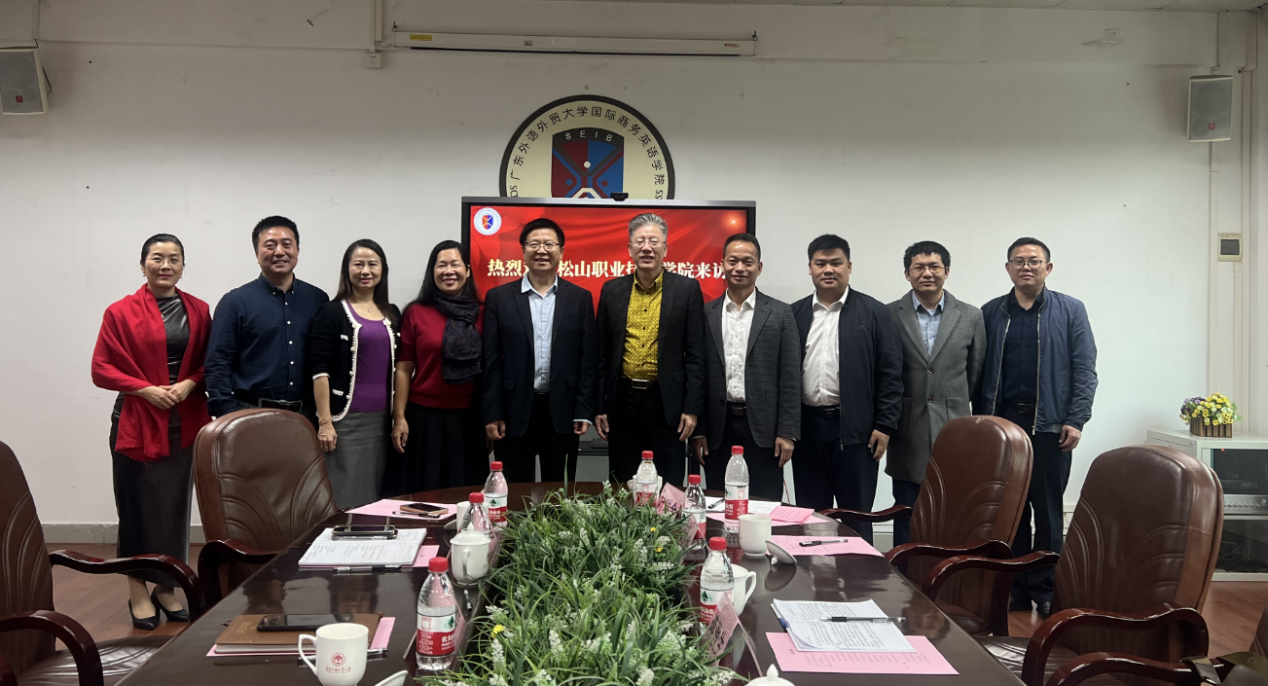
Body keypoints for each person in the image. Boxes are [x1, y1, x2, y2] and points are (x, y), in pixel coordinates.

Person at [90, 233, 211, 630]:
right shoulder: (119, 312)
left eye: (174, 258)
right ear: (142, 265)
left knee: (174, 509)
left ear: (183, 267)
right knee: (136, 507)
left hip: (184, 421)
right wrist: (144, 389)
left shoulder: (199, 310)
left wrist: (189, 384)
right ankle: (137, 590)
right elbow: (101, 368)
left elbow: (210, 361)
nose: (165, 265)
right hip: (137, 422)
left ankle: (166, 586)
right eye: (157, 257)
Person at [976, 237, 1097, 619]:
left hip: (1050, 427)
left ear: (1048, 267)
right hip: (1004, 427)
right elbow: (977, 372)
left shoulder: (1071, 310)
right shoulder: (992, 312)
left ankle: (1045, 589)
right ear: (1008, 268)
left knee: (1047, 513)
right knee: (1009, 512)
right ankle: (1012, 588)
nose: (1026, 267)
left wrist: (1076, 419)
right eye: (1018, 261)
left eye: (1034, 260)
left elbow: (1085, 370)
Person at [790, 234, 902, 545]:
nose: (828, 269)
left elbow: (891, 372)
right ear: (810, 268)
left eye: (836, 263)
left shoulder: (875, 312)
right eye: (820, 263)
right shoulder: (794, 314)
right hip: (807, 429)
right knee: (811, 516)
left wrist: (885, 424)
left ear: (849, 267)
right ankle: (814, 572)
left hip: (857, 432)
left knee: (856, 517)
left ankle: (859, 574)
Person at [482, 218, 599, 483]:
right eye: (534, 244)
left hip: (563, 410)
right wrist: (493, 413)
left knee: (559, 492)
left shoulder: (579, 298)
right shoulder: (499, 298)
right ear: (523, 251)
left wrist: (584, 409)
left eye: (549, 244)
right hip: (513, 411)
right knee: (514, 490)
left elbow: (587, 360)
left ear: (561, 251)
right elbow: (491, 361)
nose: (541, 250)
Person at [886, 241, 986, 547]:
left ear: (947, 271)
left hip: (954, 427)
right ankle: (904, 571)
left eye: (934, 267)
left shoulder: (971, 316)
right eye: (919, 267)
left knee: (952, 509)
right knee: (907, 509)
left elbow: (975, 374)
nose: (927, 273)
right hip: (907, 428)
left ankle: (948, 569)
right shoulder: (888, 314)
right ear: (907, 273)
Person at [595, 212, 705, 488]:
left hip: (667, 404)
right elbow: (601, 355)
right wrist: (599, 406)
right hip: (623, 402)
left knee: (668, 487)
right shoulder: (611, 290)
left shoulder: (687, 290)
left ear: (665, 248)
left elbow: (696, 356)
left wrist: (691, 409)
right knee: (623, 484)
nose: (647, 247)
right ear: (629, 248)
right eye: (640, 241)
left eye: (654, 241)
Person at [691, 233, 801, 501]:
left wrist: (787, 432)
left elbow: (790, 376)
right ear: (722, 265)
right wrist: (699, 430)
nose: (739, 267)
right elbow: (698, 375)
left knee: (765, 504)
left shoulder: (780, 313)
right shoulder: (706, 313)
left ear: (759, 267)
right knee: (719, 501)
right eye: (733, 261)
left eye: (747, 262)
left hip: (764, 430)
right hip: (718, 428)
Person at [205, 216, 329, 421]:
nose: (279, 252)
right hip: (250, 414)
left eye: (287, 244)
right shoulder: (234, 302)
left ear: (297, 250)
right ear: (256, 253)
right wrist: (229, 417)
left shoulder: (318, 300)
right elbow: (218, 364)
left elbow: (325, 360)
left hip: (306, 416)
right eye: (270, 246)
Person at [309, 239, 401, 509]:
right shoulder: (331, 312)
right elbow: (319, 370)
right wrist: (325, 422)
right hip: (344, 422)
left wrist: (398, 418)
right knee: (344, 495)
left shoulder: (392, 313)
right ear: (346, 269)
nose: (366, 271)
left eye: (373, 264)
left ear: (383, 269)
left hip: (383, 423)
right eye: (358, 264)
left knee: (379, 495)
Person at [389, 240, 486, 494]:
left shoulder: (484, 312)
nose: (448, 271)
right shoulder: (416, 312)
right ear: (432, 271)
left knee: (466, 495)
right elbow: (403, 369)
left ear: (467, 270)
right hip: (423, 419)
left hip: (470, 420)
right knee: (424, 495)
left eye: (455, 264)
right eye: (441, 265)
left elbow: (491, 370)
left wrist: (490, 418)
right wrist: (399, 417)